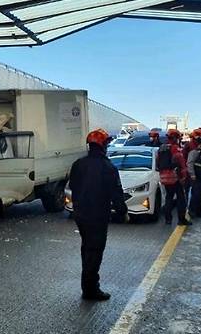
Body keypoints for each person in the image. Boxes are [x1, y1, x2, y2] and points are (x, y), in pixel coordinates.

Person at [69, 129, 129, 301]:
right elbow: (116, 193)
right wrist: (123, 213)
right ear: (103, 145)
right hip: (98, 216)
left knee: (87, 248)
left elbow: (73, 185)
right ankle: (90, 290)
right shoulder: (108, 167)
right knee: (94, 252)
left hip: (80, 214)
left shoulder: (78, 164)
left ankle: (88, 286)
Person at [157, 129, 192, 226]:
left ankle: (168, 219)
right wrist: (184, 176)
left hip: (164, 177)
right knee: (181, 198)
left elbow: (157, 162)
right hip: (175, 176)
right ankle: (181, 219)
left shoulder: (161, 148)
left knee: (169, 197)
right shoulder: (175, 148)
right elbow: (181, 162)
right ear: (176, 138)